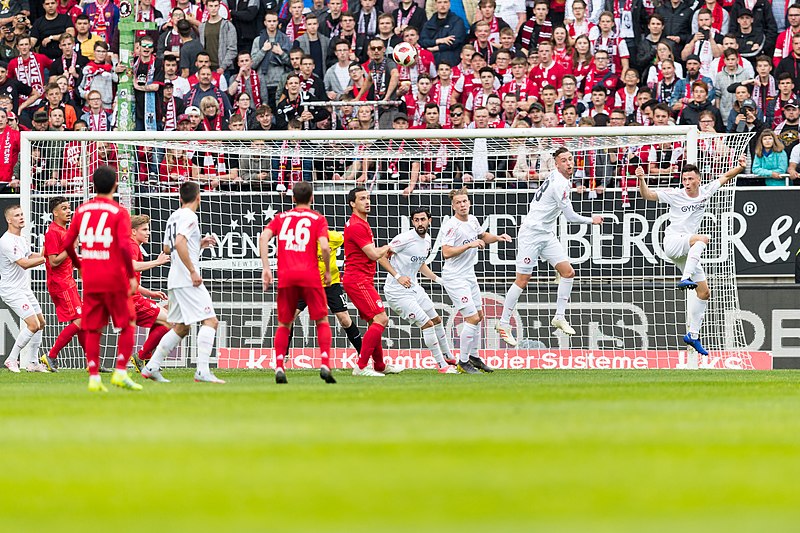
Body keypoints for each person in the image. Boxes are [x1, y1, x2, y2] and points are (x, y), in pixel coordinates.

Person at [635, 156, 747, 356]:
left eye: (690, 179)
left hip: (687, 251)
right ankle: (685, 278)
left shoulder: (705, 191)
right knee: (702, 239)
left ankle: (693, 335)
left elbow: (725, 177)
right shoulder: (675, 195)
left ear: (698, 180)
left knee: (704, 292)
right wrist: (641, 180)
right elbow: (648, 195)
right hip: (673, 242)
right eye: (684, 179)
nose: (687, 183)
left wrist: (740, 167)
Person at [496, 147, 604, 347]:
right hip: (531, 234)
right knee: (522, 280)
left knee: (568, 272)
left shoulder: (557, 176)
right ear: (556, 164)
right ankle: (503, 324)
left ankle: (559, 317)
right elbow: (571, 217)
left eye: (570, 159)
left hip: (546, 234)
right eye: (564, 160)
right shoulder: (560, 184)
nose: (569, 163)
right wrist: (593, 219)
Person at [62, 166, 142, 391]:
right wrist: (131, 276)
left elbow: (68, 243)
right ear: (115, 184)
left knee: (93, 327)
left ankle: (94, 377)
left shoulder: (82, 210)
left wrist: (79, 265)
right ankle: (120, 372)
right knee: (127, 323)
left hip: (91, 278)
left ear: (93, 185)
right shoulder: (118, 212)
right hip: (114, 277)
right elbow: (125, 248)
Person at [141, 181, 223, 383]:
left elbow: (167, 248)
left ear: (180, 198)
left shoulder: (174, 216)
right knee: (211, 321)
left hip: (174, 279)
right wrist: (193, 271)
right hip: (187, 279)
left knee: (181, 327)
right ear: (198, 198)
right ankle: (202, 371)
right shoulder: (190, 216)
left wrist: (199, 244)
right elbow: (178, 243)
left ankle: (152, 366)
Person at [260, 180, 336, 385]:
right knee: (321, 320)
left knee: (284, 323)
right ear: (311, 198)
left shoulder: (281, 218)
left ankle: (278, 365)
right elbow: (325, 247)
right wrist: (327, 271)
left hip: (286, 276)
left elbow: (264, 237)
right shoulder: (317, 218)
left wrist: (266, 268)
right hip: (310, 275)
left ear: (293, 198)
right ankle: (325, 363)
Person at [441, 187, 511, 374]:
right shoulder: (450, 225)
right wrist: (468, 245)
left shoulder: (472, 220)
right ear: (453, 206)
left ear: (469, 202)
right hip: (454, 277)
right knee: (471, 318)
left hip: (469, 275)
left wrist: (497, 237)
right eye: (458, 202)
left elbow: (482, 236)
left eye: (465, 201)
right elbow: (446, 252)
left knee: (479, 316)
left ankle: (474, 356)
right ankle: (462, 362)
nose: (462, 205)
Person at [378, 208, 457, 374]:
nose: (420, 223)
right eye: (416, 220)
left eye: (423, 219)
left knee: (436, 320)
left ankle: (449, 356)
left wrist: (439, 280)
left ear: (430, 220)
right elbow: (381, 256)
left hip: (414, 287)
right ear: (412, 222)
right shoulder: (404, 239)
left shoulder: (427, 239)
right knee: (427, 324)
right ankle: (442, 366)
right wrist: (398, 276)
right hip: (397, 292)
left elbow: (419, 264)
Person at [343, 186, 403, 377]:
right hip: (358, 280)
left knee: (373, 321)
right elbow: (373, 253)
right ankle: (360, 367)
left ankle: (379, 365)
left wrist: (384, 250)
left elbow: (374, 253)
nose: (367, 202)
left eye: (368, 198)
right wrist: (390, 246)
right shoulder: (357, 225)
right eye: (362, 199)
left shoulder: (362, 223)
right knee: (381, 319)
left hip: (363, 279)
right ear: (352, 203)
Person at [40, 197, 85, 372]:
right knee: (81, 321)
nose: (68, 211)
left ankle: (91, 362)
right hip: (60, 284)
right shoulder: (53, 232)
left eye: (69, 208)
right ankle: (50, 355)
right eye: (64, 208)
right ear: (55, 212)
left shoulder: (64, 232)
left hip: (68, 281)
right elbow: (53, 262)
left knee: (83, 322)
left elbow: (67, 261)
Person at [1, 205, 47, 373]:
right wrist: (46, 259)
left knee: (41, 323)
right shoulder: (6, 241)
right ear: (8, 220)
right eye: (17, 215)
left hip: (23, 288)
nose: (21, 217)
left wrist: (46, 254)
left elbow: (29, 256)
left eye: (22, 214)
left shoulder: (22, 238)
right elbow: (24, 264)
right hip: (11, 290)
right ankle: (12, 359)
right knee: (33, 324)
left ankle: (33, 363)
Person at [127, 214, 173, 373]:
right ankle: (142, 356)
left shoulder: (132, 245)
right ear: (133, 231)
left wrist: (150, 293)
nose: (148, 233)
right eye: (144, 229)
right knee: (169, 321)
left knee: (163, 321)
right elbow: (133, 266)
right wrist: (157, 262)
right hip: (130, 301)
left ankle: (144, 357)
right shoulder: (131, 246)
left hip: (131, 298)